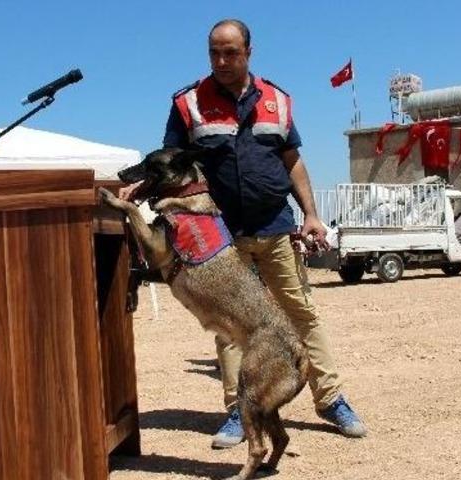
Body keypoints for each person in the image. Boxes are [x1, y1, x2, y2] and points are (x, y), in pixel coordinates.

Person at [127, 19, 367, 446]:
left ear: (249, 52)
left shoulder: (277, 99)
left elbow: (292, 161)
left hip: (275, 225)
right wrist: (139, 187)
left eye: (231, 53)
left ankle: (330, 399)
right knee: (231, 325)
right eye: (214, 53)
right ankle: (239, 412)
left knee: (301, 315)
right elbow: (165, 162)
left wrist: (311, 214)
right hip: (219, 236)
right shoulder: (188, 103)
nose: (221, 61)